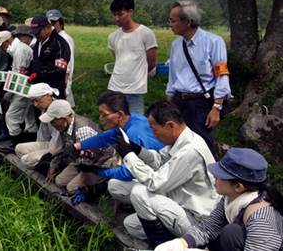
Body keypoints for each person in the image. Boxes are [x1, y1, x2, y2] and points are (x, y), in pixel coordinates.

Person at [109, 100, 219, 248]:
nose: (154, 135)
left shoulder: (191, 151)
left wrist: (129, 156)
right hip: (176, 202)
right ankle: (167, 234)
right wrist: (136, 149)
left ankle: (159, 244)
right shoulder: (180, 139)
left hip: (197, 221)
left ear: (170, 126)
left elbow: (156, 184)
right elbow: (160, 160)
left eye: (154, 129)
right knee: (130, 222)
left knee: (140, 192)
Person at [156, 148, 283, 251]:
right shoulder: (231, 198)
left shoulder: (262, 220)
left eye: (220, 176)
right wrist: (183, 242)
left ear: (238, 187)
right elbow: (209, 227)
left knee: (231, 233)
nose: (214, 177)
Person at [166, 0, 231, 155]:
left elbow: (222, 75)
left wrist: (217, 107)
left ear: (188, 22)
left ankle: (208, 176)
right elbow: (173, 76)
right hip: (178, 100)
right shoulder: (176, 45)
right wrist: (168, 100)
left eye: (173, 21)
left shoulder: (213, 42)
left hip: (200, 103)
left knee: (202, 145)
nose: (170, 24)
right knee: (177, 142)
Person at [73, 90, 163, 181]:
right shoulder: (131, 118)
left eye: (104, 114)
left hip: (158, 172)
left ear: (120, 114)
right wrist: (77, 146)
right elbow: (104, 138)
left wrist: (96, 170)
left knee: (113, 184)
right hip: (150, 164)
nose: (100, 118)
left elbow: (128, 173)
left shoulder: (133, 134)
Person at [107, 0, 158, 115]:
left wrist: (137, 76)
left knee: (136, 124)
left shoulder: (145, 33)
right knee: (115, 123)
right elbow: (117, 59)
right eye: (114, 15)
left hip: (135, 90)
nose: (117, 18)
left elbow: (151, 63)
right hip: (115, 87)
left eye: (120, 14)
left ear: (130, 11)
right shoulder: (113, 37)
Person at [39, 100, 98, 195]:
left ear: (64, 118)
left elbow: (87, 162)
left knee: (71, 188)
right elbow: (65, 149)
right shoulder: (64, 127)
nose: (52, 125)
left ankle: (100, 187)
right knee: (59, 181)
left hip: (98, 163)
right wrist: (53, 165)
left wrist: (82, 182)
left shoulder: (82, 131)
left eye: (53, 122)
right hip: (79, 161)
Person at [0, 30, 37, 143]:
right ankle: (30, 139)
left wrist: (9, 93)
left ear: (7, 41)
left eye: (3, 45)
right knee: (29, 116)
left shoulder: (20, 51)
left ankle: (15, 143)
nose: (3, 49)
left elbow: (19, 75)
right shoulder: (17, 50)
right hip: (23, 86)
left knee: (11, 116)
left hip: (23, 87)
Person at [13, 83, 61, 167]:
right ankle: (40, 163)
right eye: (32, 101)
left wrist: (49, 154)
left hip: (59, 148)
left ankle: (52, 166)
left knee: (25, 160)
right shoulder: (45, 109)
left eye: (37, 100)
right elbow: (43, 135)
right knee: (19, 149)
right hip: (49, 143)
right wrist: (35, 150)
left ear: (48, 95)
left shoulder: (58, 110)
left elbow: (59, 142)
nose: (35, 104)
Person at [28, 15, 71, 99]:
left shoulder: (60, 44)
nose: (36, 35)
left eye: (38, 32)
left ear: (47, 28)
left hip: (53, 90)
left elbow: (59, 70)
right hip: (38, 90)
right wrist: (28, 70)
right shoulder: (38, 42)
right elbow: (37, 61)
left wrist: (39, 74)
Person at [47, 9, 76, 107]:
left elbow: (69, 62)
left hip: (62, 80)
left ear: (60, 22)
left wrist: (66, 82)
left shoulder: (65, 39)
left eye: (54, 22)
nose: (52, 25)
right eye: (49, 23)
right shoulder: (53, 38)